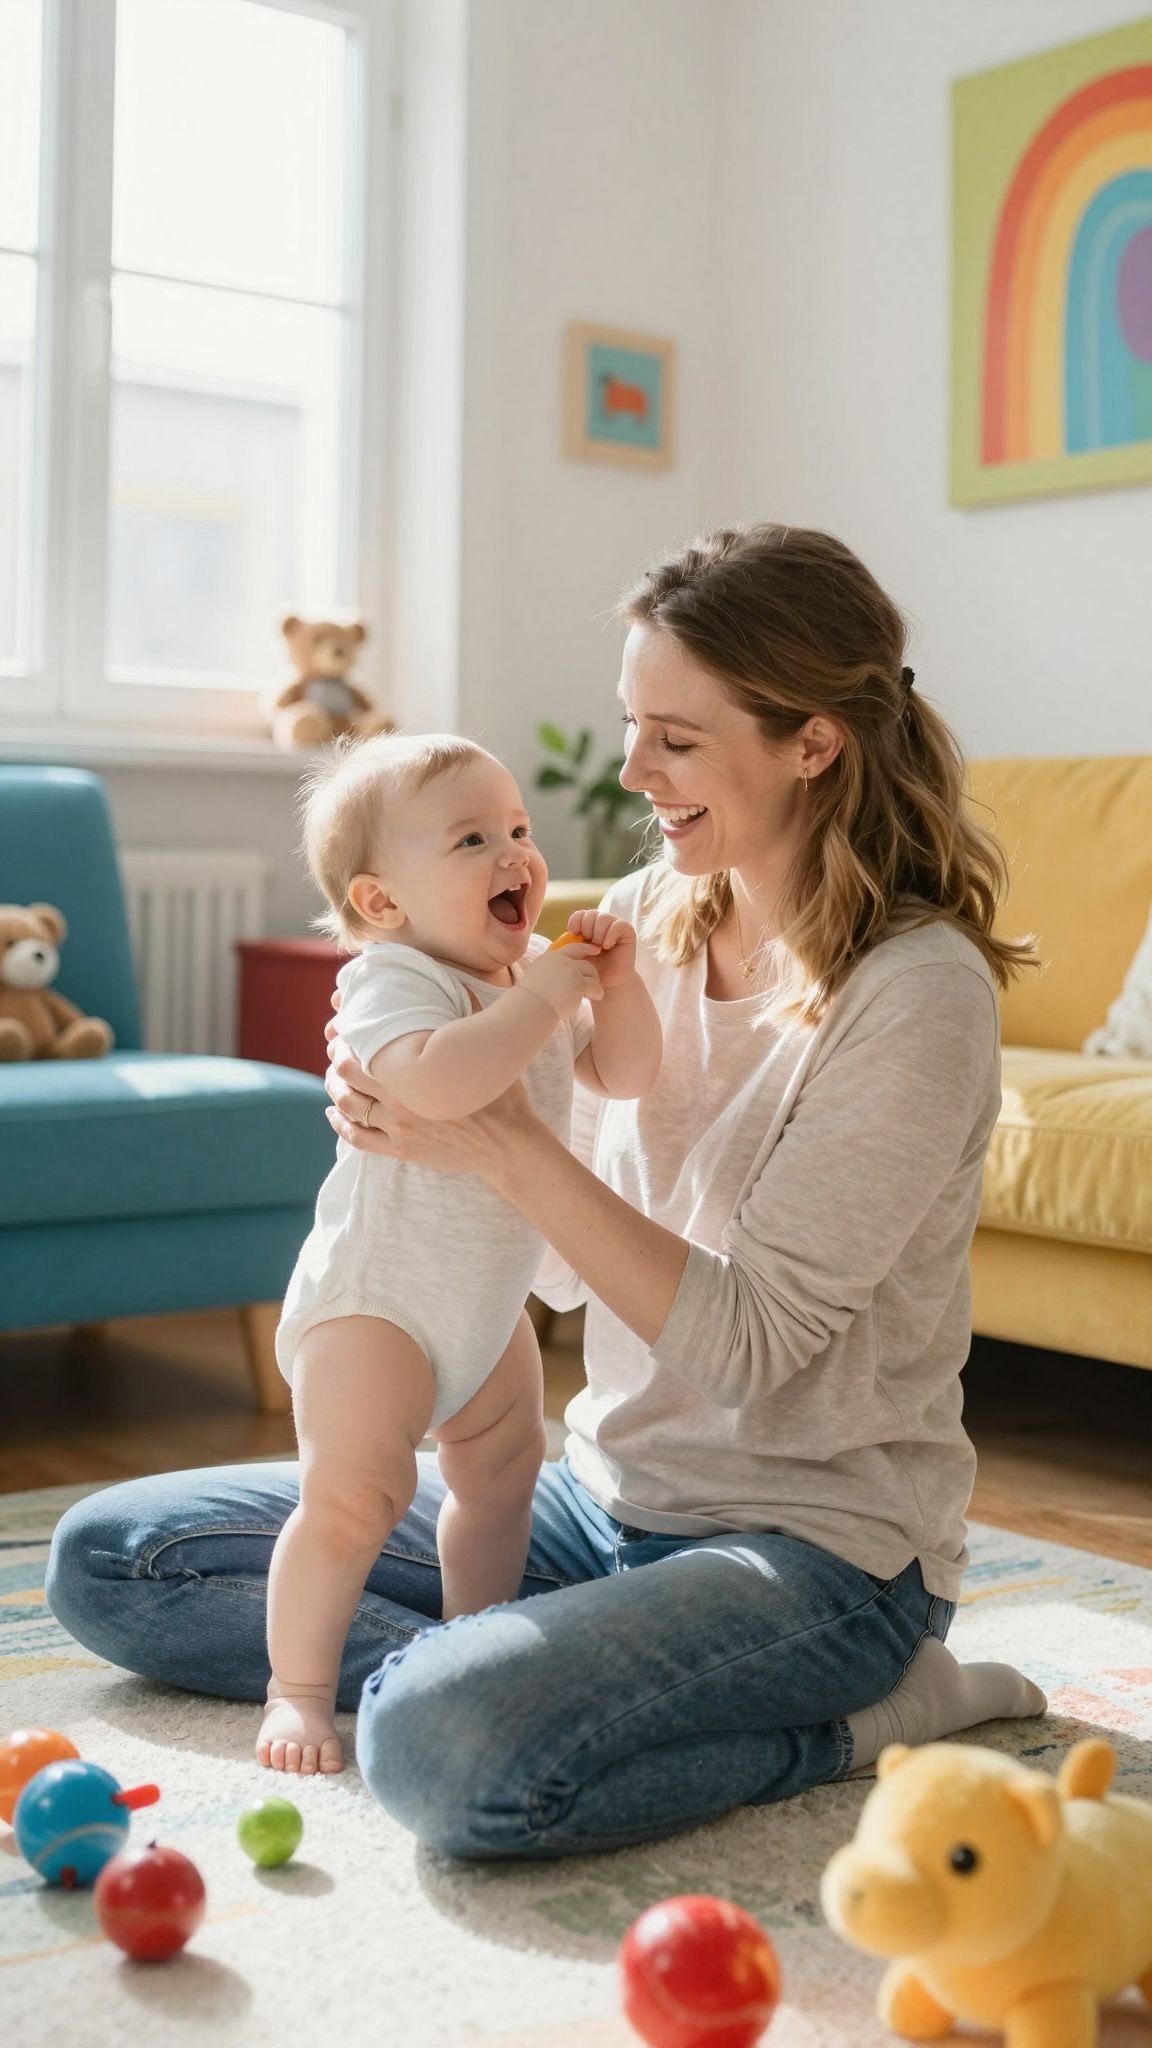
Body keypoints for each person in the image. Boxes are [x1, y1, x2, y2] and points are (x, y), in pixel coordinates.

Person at [46, 524, 1046, 1861]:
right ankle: (520, 1674)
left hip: (812, 1549)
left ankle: (868, 1713)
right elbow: (562, 1264)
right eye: (632, 725)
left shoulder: (916, 995)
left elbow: (747, 1348)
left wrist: (501, 1141)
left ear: (813, 742)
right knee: (116, 1556)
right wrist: (406, 1100)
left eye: (675, 739)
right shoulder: (646, 916)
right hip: (598, 1494)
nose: (632, 772)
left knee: (445, 1744)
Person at [258, 733, 661, 1773]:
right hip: (377, 1307)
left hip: (486, 1312)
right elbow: (437, 1085)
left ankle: (469, 1647)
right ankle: (296, 1690)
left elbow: (626, 1075)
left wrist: (613, 989)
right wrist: (546, 998)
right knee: (354, 1499)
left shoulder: (525, 980)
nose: (514, 853)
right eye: (472, 839)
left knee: (502, 1477)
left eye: (517, 828)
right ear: (382, 901)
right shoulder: (393, 978)